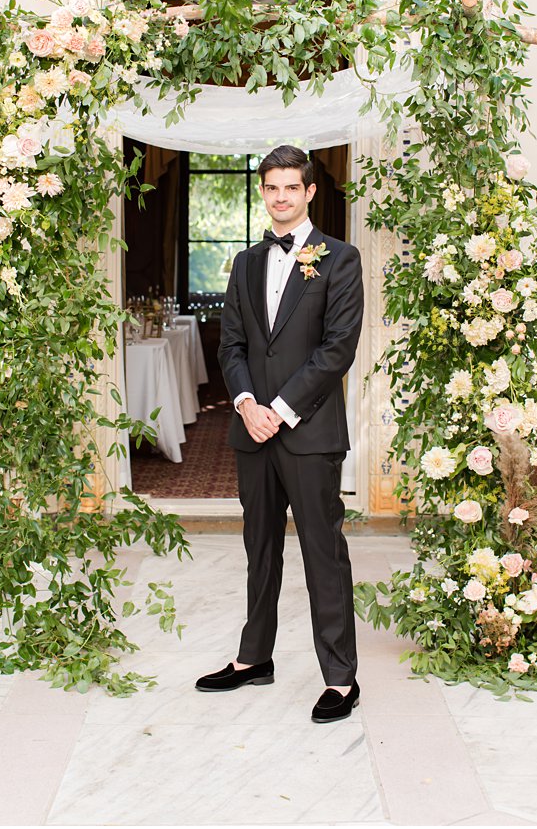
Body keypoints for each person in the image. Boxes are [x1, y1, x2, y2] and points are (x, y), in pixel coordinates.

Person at [201, 144, 365, 723]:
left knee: (323, 552)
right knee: (259, 549)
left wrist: (280, 407)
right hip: (253, 430)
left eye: (291, 187)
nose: (280, 197)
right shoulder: (246, 262)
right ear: (263, 191)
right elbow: (233, 345)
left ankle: (341, 680)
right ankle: (254, 658)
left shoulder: (340, 259)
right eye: (271, 187)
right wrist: (247, 404)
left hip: (309, 431)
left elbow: (337, 348)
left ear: (310, 192)